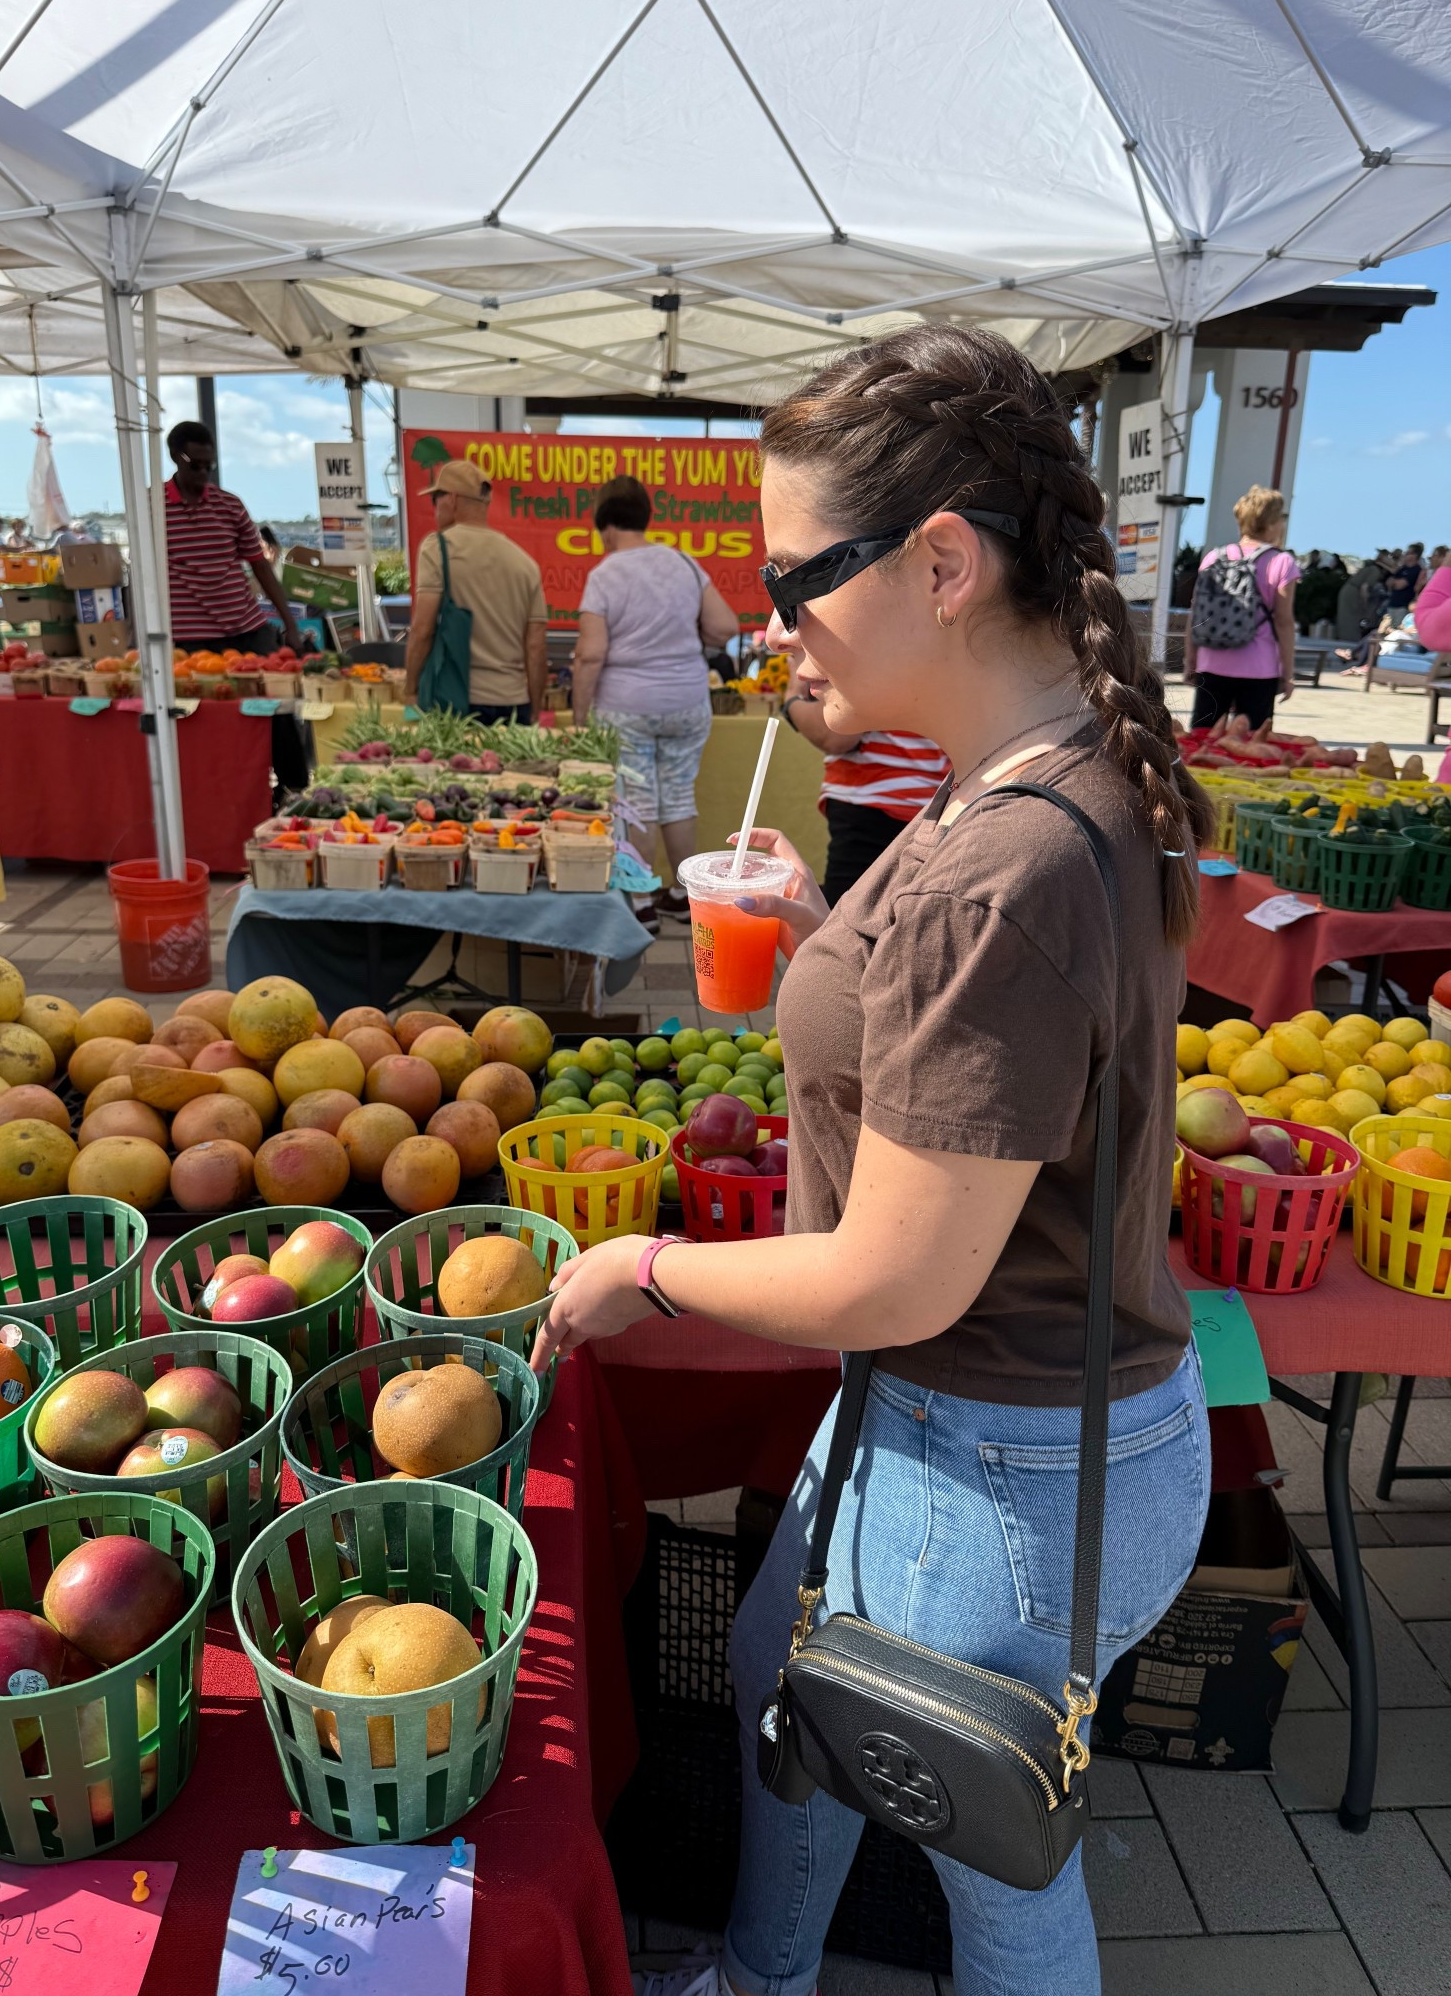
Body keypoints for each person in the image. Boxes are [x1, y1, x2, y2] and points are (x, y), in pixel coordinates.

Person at [532, 323, 1212, 1996]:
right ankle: (765, 1968)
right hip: (979, 1421)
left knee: (994, 1875)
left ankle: (763, 1970)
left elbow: (903, 1267)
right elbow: (997, 1043)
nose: (767, 631)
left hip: (991, 1456)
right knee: (784, 1672)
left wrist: (644, 1271)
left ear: (943, 562)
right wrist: (836, 933)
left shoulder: (1016, 858)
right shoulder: (1029, 786)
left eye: (790, 583)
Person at [572, 474, 738, 919]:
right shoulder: (684, 564)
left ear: (605, 526)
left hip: (626, 706)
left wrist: (579, 715)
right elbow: (725, 627)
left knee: (639, 800)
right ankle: (684, 898)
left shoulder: (604, 575)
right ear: (644, 519)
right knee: (679, 795)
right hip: (686, 700)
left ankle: (642, 901)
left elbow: (590, 654)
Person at [780, 645, 950, 903]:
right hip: (939, 806)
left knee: (846, 932)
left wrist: (792, 700)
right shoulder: (944, 647)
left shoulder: (875, 644)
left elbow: (836, 737)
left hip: (870, 801)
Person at [406, 458, 547, 721]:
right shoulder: (526, 563)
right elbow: (536, 645)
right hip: (514, 704)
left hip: (456, 703)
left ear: (452, 499)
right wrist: (535, 711)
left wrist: (410, 691)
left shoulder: (437, 548)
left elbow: (422, 630)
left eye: (435, 499)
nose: (435, 509)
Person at [163, 421, 299, 657]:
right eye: (195, 466)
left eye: (210, 466)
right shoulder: (152, 507)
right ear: (175, 456)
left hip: (246, 630)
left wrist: (291, 624)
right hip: (186, 639)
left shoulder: (230, 505)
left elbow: (260, 566)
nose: (204, 473)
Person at [1189, 486, 1299, 730]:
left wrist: (1191, 660)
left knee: (1202, 742)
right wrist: (1287, 673)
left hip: (1212, 662)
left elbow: (1197, 613)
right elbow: (1283, 621)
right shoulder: (1282, 562)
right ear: (1271, 523)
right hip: (1259, 668)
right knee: (1248, 747)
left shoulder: (1213, 558)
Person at [1383, 541, 1427, 622]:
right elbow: (1388, 582)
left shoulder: (1417, 570)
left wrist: (1394, 583)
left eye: (1408, 553)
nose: (1405, 555)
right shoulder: (1402, 569)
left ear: (1414, 555)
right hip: (1392, 605)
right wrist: (1394, 583)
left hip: (1402, 607)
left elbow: (1400, 585)